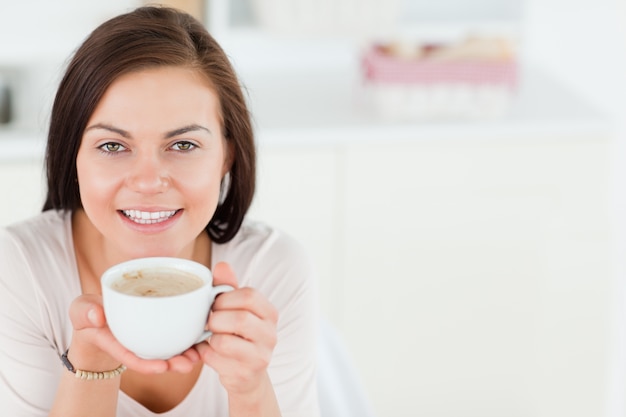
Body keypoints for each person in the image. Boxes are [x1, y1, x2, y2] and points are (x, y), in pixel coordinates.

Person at [0, 6, 319, 417]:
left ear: (226, 157)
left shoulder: (273, 269)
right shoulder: (18, 271)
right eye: (113, 146)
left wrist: (250, 388)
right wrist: (92, 364)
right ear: (73, 156)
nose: (148, 182)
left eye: (183, 145)